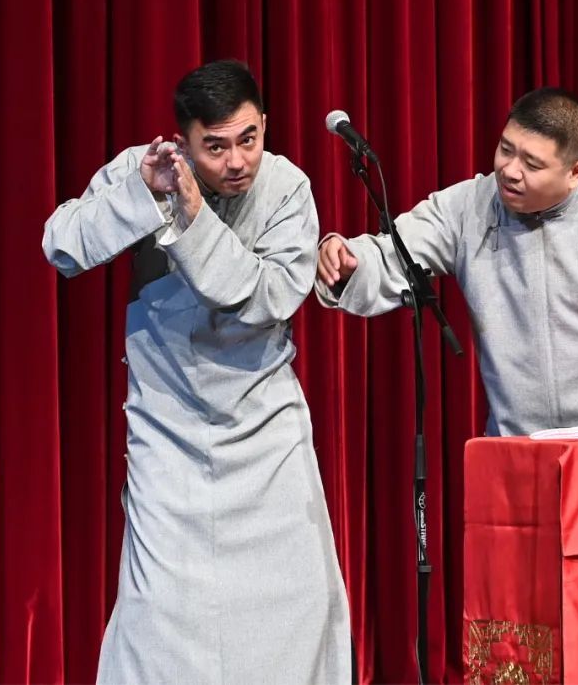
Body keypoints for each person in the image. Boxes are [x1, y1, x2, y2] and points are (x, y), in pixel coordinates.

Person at [43, 60, 350, 683]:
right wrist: (142, 195)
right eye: (215, 147)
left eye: (248, 139)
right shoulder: (152, 169)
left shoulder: (288, 188)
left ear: (265, 125)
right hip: (168, 430)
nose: (237, 161)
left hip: (264, 430)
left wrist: (192, 217)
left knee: (294, 604)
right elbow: (61, 245)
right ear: (184, 142)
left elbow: (265, 298)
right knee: (160, 614)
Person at [316, 87, 578, 435]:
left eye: (532, 164)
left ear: (576, 172)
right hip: (516, 450)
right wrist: (351, 262)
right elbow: (395, 252)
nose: (509, 170)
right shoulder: (468, 207)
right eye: (506, 149)